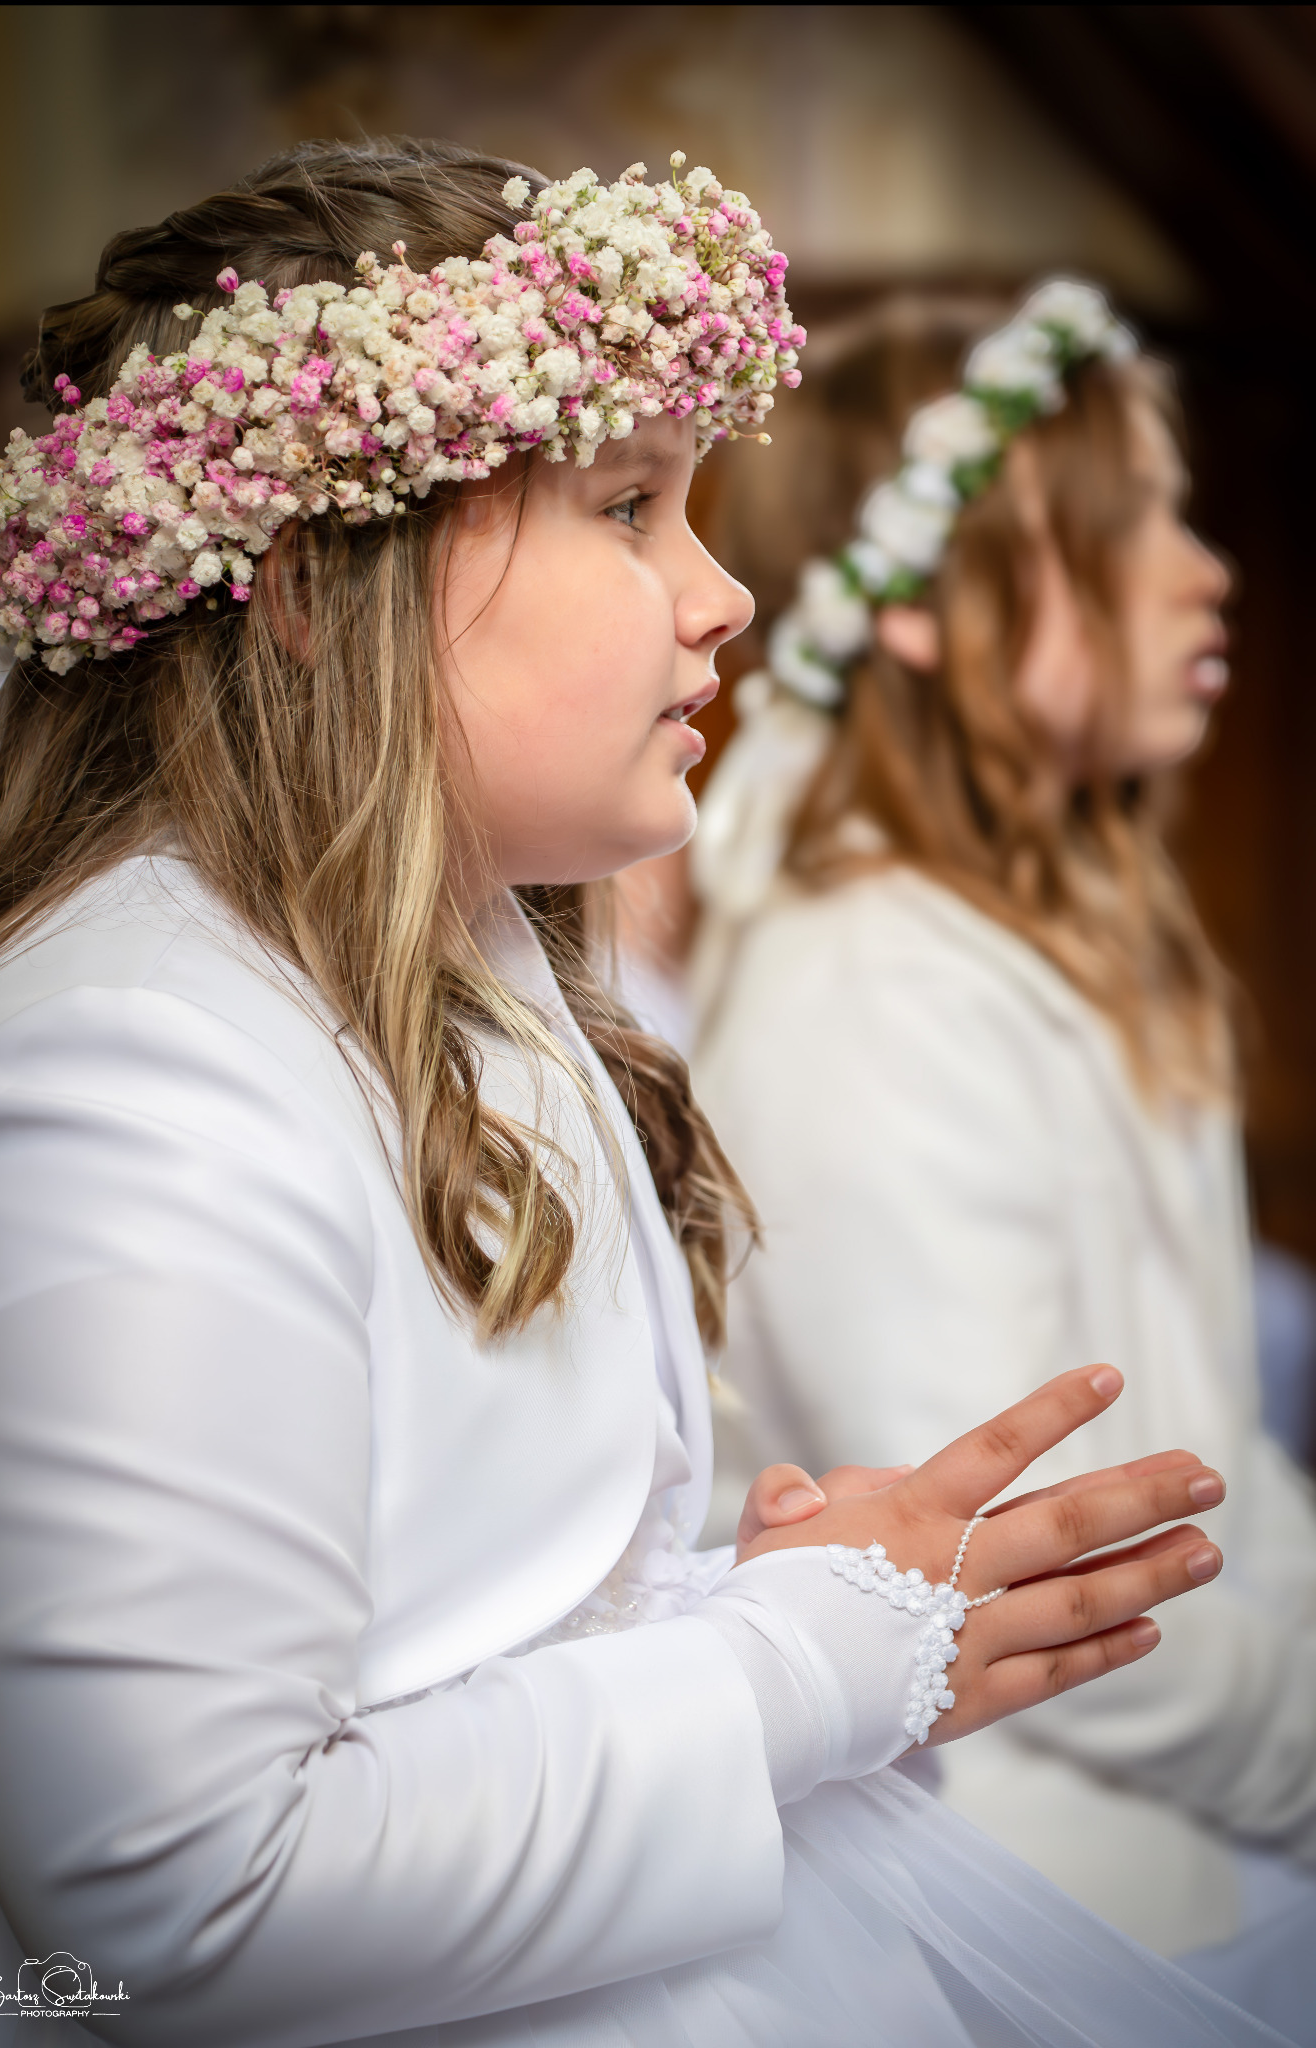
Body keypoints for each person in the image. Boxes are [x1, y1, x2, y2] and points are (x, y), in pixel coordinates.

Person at [0, 143, 1278, 2048]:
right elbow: (179, 1900)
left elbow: (469, 1629)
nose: (725, 592)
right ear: (324, 584)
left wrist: (781, 1592)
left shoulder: (465, 970)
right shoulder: (128, 1081)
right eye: (631, 507)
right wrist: (803, 1662)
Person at [691, 284, 1316, 2029]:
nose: (1206, 571)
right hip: (1058, 1908)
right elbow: (1015, 1555)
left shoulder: (1055, 947)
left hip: (1206, 1834)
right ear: (928, 611)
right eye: (1138, 521)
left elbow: (1226, 1475)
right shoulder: (868, 991)